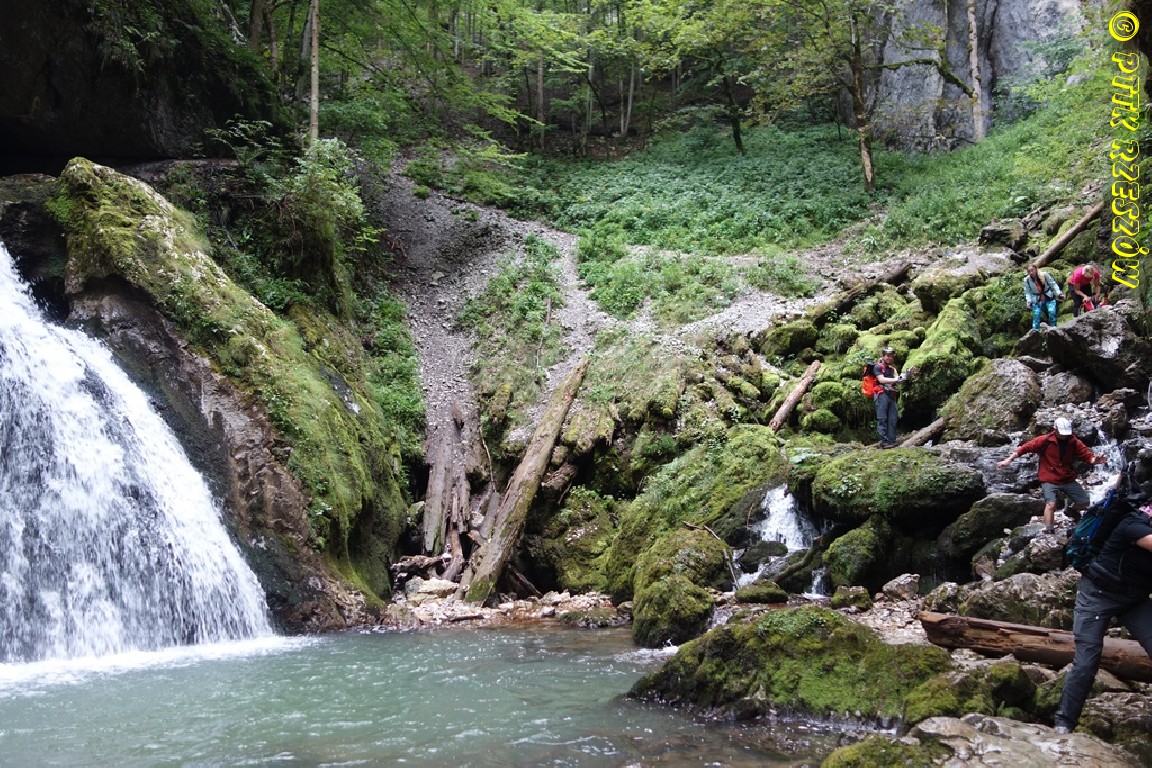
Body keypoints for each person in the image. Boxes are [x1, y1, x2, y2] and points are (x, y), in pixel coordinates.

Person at [1053, 480, 1152, 734]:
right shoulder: (1134, 524)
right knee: (1087, 662)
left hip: (1134, 599)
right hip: (1096, 595)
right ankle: (1063, 724)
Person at [997, 417, 1107, 532]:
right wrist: (1008, 460)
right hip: (1049, 477)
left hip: (1066, 477)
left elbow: (1087, 455)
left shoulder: (1074, 442)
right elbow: (1024, 448)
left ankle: (1071, 510)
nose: (1065, 436)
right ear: (1055, 430)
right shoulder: (1044, 440)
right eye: (1062, 434)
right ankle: (1049, 529)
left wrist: (1095, 460)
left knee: (1084, 502)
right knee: (1051, 504)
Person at [869, 347, 907, 449]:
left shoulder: (892, 369)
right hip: (881, 394)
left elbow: (897, 381)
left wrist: (904, 377)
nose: (890, 358)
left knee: (893, 418)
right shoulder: (877, 367)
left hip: (891, 395)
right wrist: (896, 379)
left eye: (891, 356)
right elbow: (881, 379)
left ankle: (892, 441)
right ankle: (884, 442)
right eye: (888, 356)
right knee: (882, 418)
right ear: (883, 356)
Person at [1023, 263, 1062, 330]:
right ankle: (1035, 331)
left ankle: (1053, 329)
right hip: (1036, 299)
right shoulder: (1027, 280)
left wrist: (1059, 293)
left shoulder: (1044, 275)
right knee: (1036, 316)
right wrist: (1029, 301)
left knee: (1052, 312)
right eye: (1029, 271)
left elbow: (1053, 284)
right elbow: (1027, 292)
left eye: (1032, 270)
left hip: (1048, 296)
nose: (1031, 272)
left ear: (1036, 269)